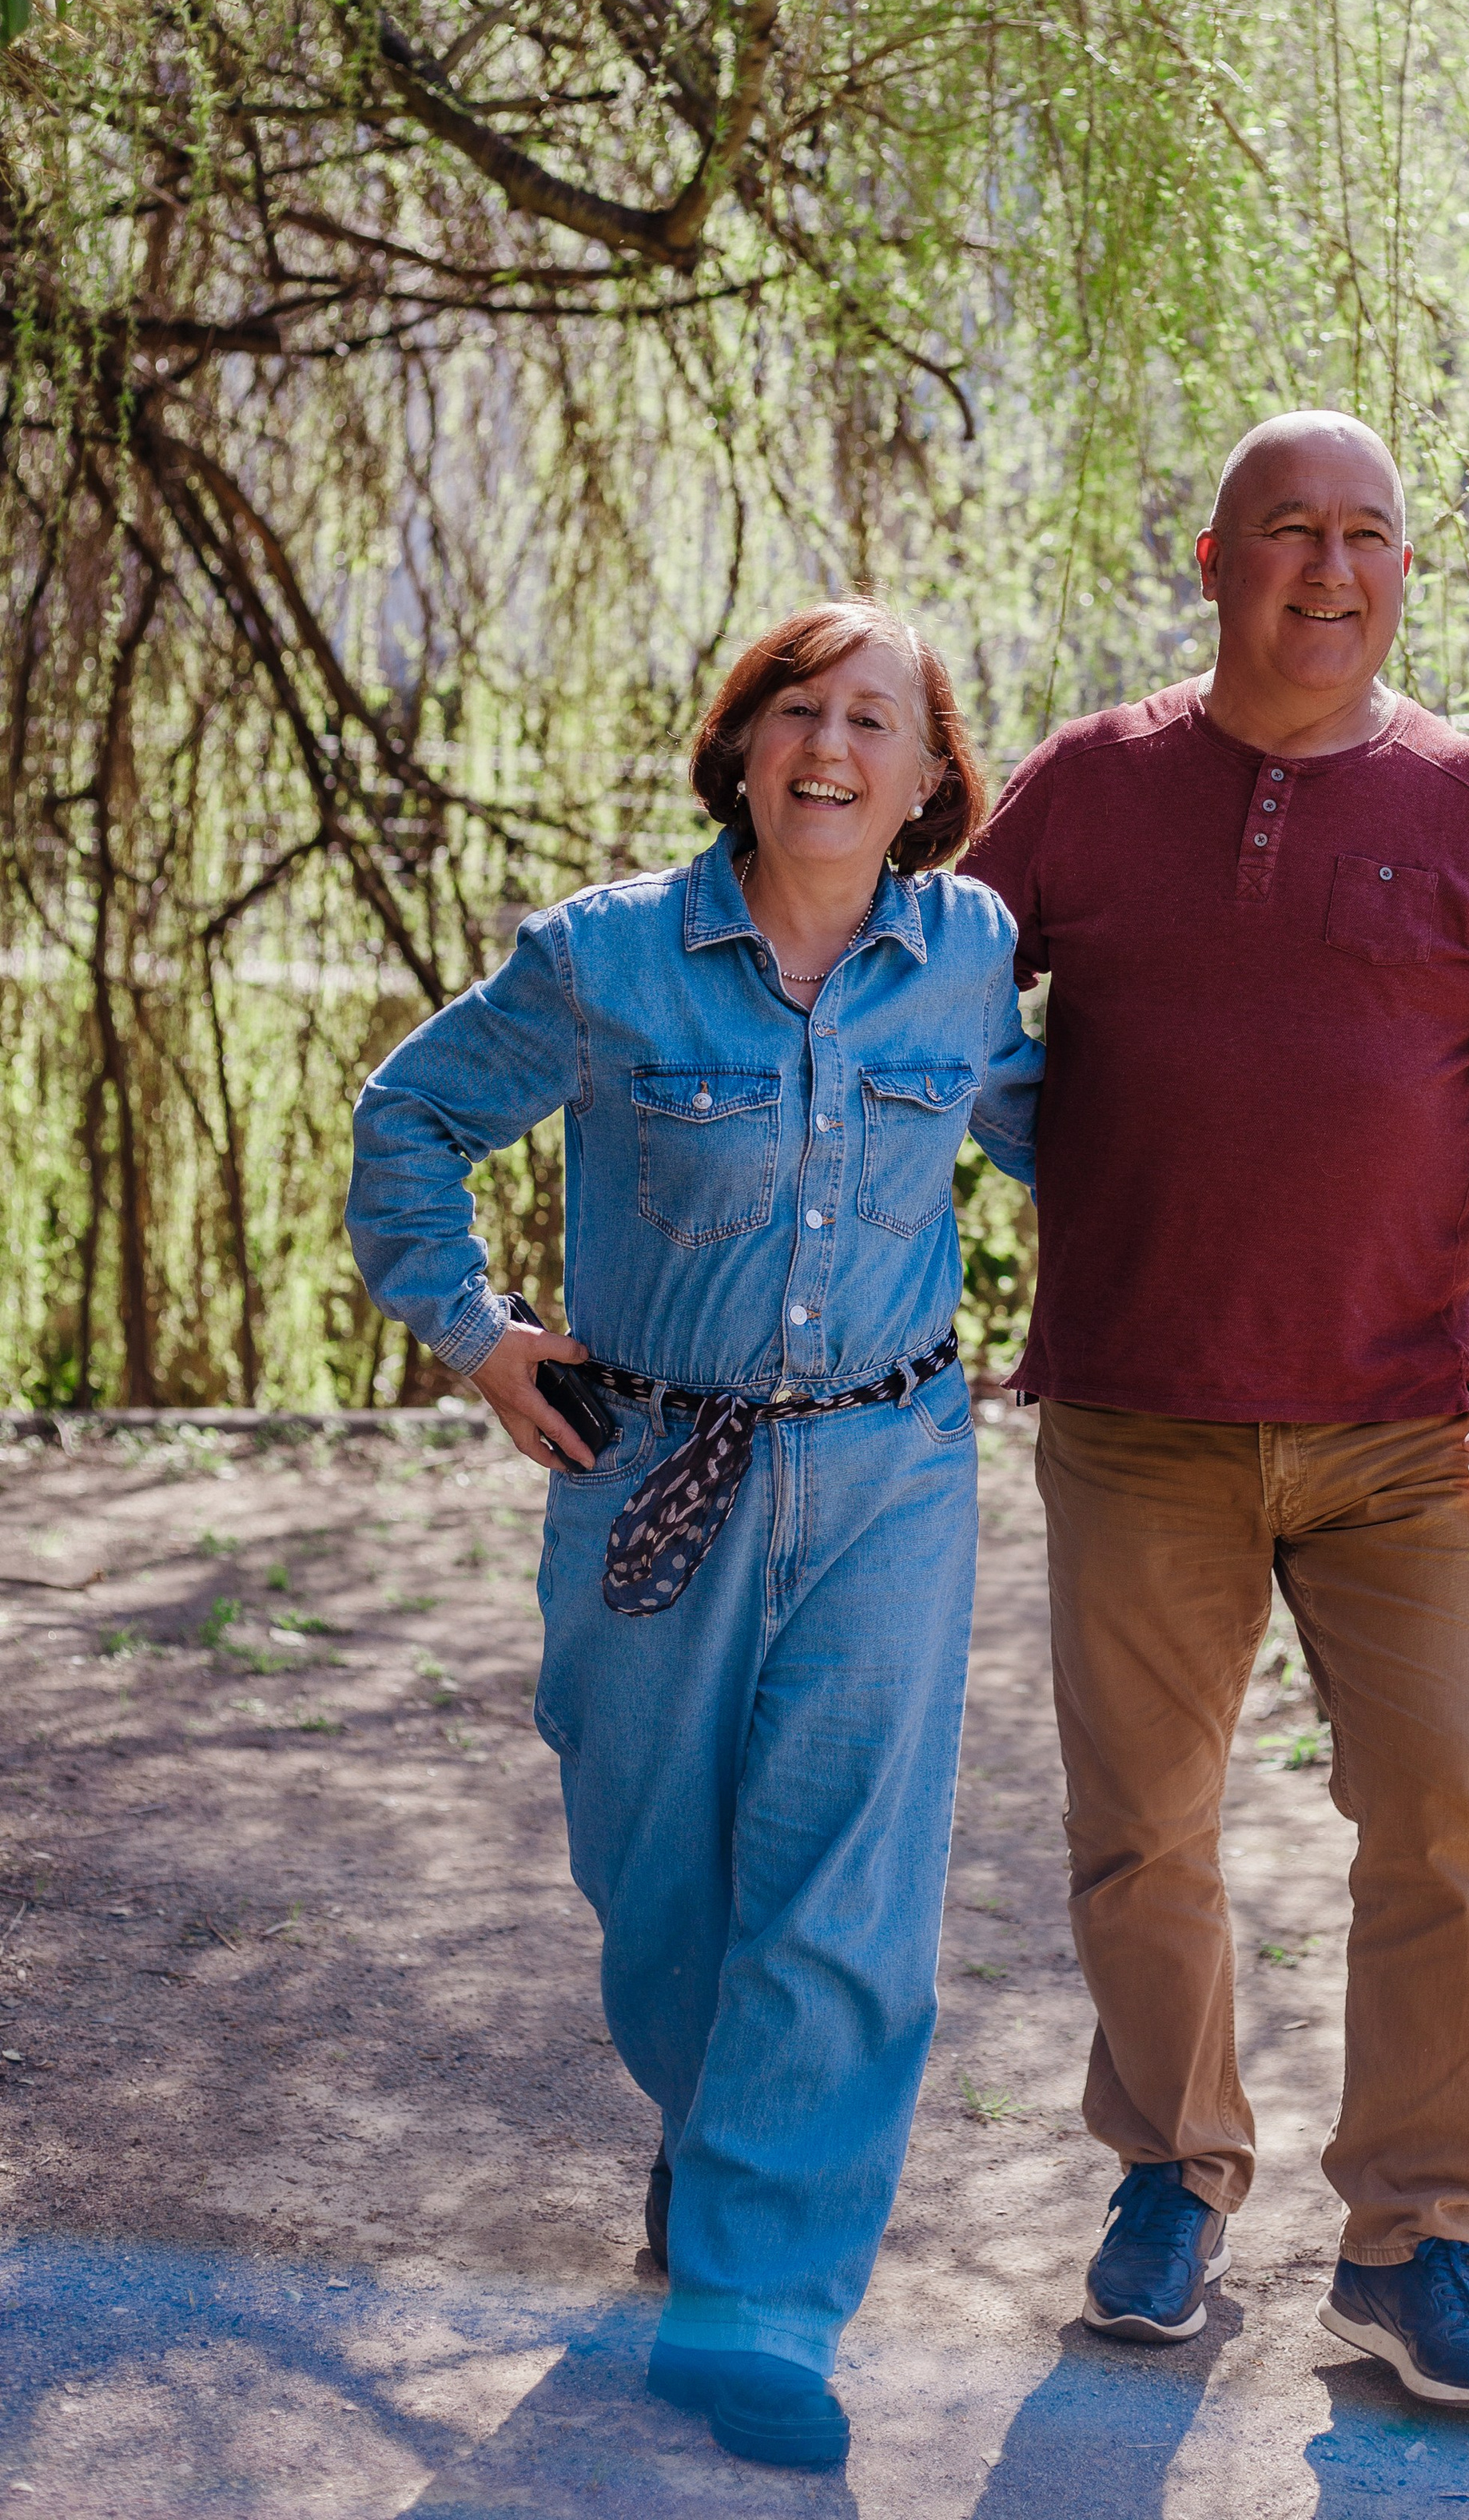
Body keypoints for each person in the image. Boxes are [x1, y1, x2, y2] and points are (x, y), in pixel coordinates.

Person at [965, 411, 1469, 2408]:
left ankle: (1415, 2239)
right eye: (1287, 533)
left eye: (1364, 537)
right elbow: (916, 995)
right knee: (1139, 1828)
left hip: (1396, 1432)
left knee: (1443, 1812)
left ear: (1402, 571)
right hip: (1134, 1410)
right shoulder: (1082, 789)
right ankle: (1171, 2180)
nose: (1326, 572)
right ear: (1211, 561)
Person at [348, 602, 1041, 2473]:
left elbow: (1091, 1148)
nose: (831, 747)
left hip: (891, 1478)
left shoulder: (966, 956)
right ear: (738, 749)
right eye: (795, 713)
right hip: (648, 1469)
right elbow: (409, 1119)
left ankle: (758, 2312)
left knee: (844, 1897)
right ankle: (717, 2139)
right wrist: (479, 1336)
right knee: (661, 1876)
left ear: (924, 784)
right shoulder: (604, 963)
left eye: (873, 722)